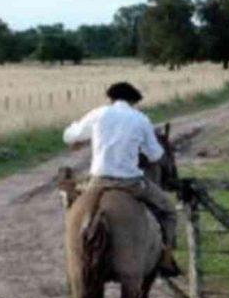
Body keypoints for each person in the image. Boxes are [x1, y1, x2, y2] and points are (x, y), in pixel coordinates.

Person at [63, 82, 181, 277]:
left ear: (111, 98)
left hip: (97, 181)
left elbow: (69, 136)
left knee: (73, 203)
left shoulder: (98, 114)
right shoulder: (140, 119)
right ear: (134, 101)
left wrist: (82, 137)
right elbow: (155, 155)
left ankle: (75, 251)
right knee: (169, 210)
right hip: (130, 183)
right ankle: (166, 257)